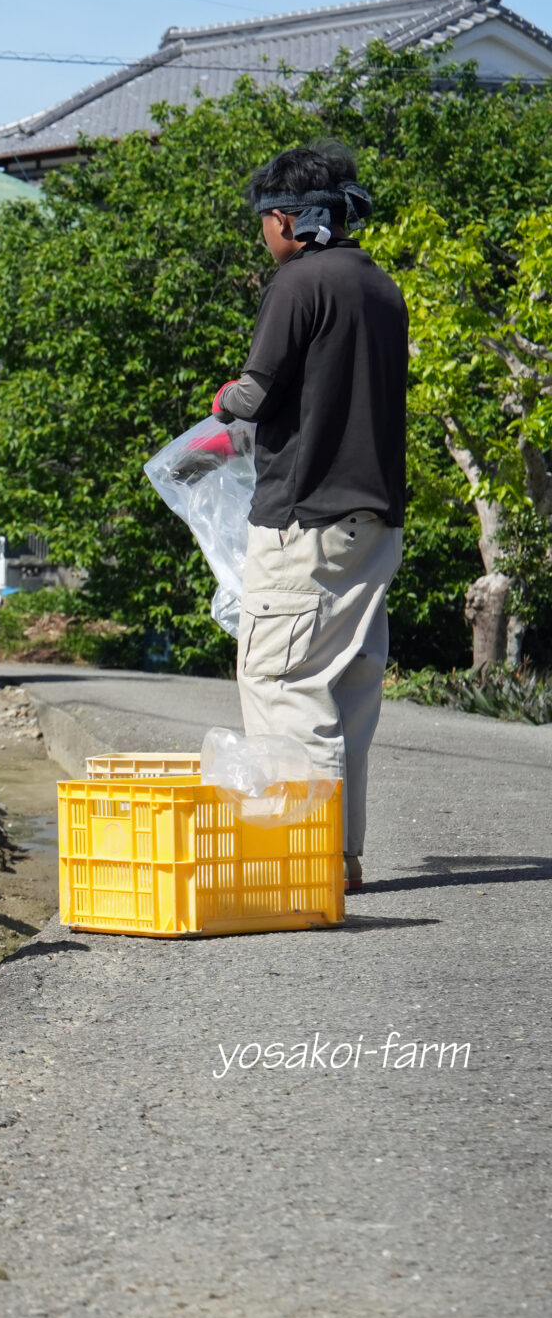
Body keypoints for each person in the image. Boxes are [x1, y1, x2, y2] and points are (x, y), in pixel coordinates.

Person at [212, 140, 406, 892]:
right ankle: (342, 857)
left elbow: (254, 395)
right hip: (374, 522)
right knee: (347, 689)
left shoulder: (299, 281)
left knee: (283, 681)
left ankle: (305, 864)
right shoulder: (380, 286)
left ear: (288, 220)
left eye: (265, 222)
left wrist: (223, 401)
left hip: (307, 521)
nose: (265, 235)